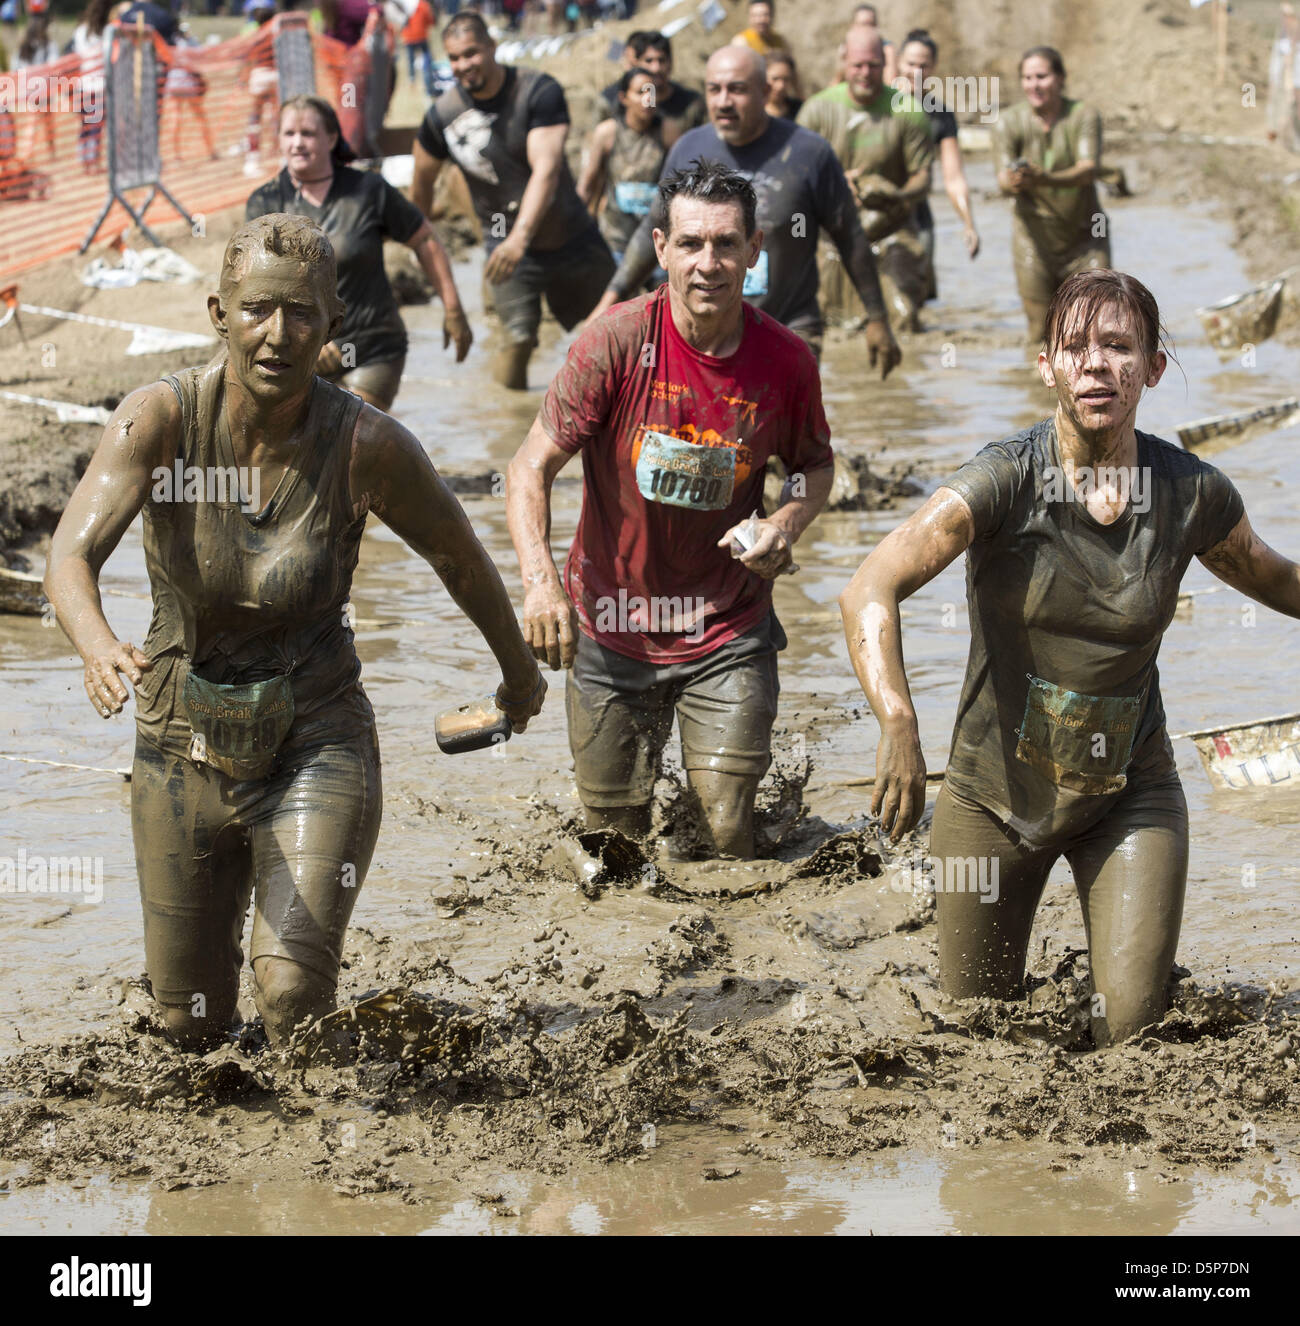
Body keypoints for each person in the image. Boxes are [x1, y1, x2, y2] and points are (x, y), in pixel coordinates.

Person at [43, 214, 546, 1054]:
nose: (279, 335)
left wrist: (518, 678)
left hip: (315, 739)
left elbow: (460, 560)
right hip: (179, 740)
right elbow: (70, 551)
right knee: (187, 1028)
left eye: (303, 314)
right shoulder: (159, 421)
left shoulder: (368, 444)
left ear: (332, 324)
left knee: (290, 994)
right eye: (258, 311)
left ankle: (325, 1155)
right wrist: (96, 643)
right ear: (218, 312)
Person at [839, 268, 1300, 1047]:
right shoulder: (1004, 479)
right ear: (1045, 364)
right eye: (1075, 346)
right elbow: (869, 588)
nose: (1096, 364)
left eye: (1119, 346)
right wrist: (897, 720)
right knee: (971, 1035)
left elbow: (1278, 578)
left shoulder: (1192, 495)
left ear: (1151, 370)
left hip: (1130, 795)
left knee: (1130, 1033)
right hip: (991, 801)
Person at [506, 161, 834, 859]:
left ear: (755, 251)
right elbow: (528, 467)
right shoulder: (613, 345)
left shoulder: (786, 362)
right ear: (661, 249)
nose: (707, 263)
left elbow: (814, 467)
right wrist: (539, 584)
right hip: (610, 624)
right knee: (612, 845)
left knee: (726, 831)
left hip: (727, 628)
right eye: (690, 244)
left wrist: (785, 522)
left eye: (725, 244)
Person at [592, 45, 899, 374]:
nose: (724, 101)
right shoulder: (688, 149)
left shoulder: (809, 153)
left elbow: (849, 237)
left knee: (780, 424)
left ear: (765, 91)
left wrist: (877, 317)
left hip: (789, 326)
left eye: (737, 89)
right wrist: (609, 299)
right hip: (703, 329)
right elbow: (652, 229)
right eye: (715, 89)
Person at [411, 11, 614, 390]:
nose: (463, 65)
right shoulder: (443, 116)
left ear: (492, 47)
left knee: (612, 334)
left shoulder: (537, 90)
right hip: (503, 246)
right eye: (454, 58)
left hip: (570, 236)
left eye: (471, 53)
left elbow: (547, 170)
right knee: (517, 340)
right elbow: (421, 180)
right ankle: (517, 423)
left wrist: (521, 236)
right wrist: (422, 233)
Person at [247, 94, 471, 413]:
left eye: (308, 133)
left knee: (347, 437)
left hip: (371, 344)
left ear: (332, 138)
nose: (298, 143)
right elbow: (257, 284)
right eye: (289, 134)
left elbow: (425, 240)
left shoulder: (368, 191)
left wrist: (453, 308)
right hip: (296, 351)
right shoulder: (265, 203)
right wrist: (304, 345)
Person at [797, 27, 933, 330]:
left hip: (891, 231)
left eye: (873, 65)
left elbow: (923, 178)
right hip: (832, 236)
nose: (865, 73)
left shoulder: (908, 110)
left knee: (904, 317)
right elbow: (795, 177)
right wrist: (833, 183)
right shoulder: (817, 110)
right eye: (858, 65)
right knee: (832, 326)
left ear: (885, 66)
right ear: (844, 63)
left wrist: (897, 196)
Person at [995, 46, 1109, 339]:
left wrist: (1044, 178)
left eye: (1042, 76)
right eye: (1027, 77)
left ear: (1060, 79)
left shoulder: (1083, 115)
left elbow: (1088, 171)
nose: (1034, 85)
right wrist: (1017, 182)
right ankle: (1038, 384)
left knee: (1092, 326)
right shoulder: (1008, 122)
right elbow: (1002, 181)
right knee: (1040, 332)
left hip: (1086, 237)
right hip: (1034, 239)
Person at [893, 27, 979, 297]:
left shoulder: (939, 114)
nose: (916, 71)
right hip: (875, 204)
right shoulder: (878, 104)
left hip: (916, 210)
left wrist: (968, 223)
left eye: (923, 65)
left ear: (933, 67)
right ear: (897, 62)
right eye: (910, 64)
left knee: (918, 287)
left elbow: (953, 177)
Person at [578, 65, 676, 269]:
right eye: (640, 92)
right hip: (615, 237)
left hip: (657, 239)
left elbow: (681, 181)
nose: (648, 98)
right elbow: (588, 185)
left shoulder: (668, 131)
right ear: (624, 97)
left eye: (652, 92)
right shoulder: (608, 133)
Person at [600, 30, 706, 133]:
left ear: (671, 63)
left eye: (661, 60)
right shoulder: (613, 103)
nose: (656, 68)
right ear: (636, 64)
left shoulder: (691, 104)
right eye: (649, 61)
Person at [836, 4, 896, 85]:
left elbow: (890, 83)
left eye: (871, 24)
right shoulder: (847, 48)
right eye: (863, 24)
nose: (867, 28)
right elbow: (836, 83)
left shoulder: (887, 49)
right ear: (853, 26)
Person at [400, 0, 437, 95]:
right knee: (427, 60)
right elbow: (430, 20)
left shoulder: (404, 3)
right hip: (421, 36)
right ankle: (428, 83)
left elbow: (400, 20)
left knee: (411, 61)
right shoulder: (422, 4)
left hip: (408, 36)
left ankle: (412, 80)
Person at [763, 50, 801, 120]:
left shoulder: (800, 110)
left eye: (786, 79)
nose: (781, 86)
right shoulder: (753, 111)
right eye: (775, 79)